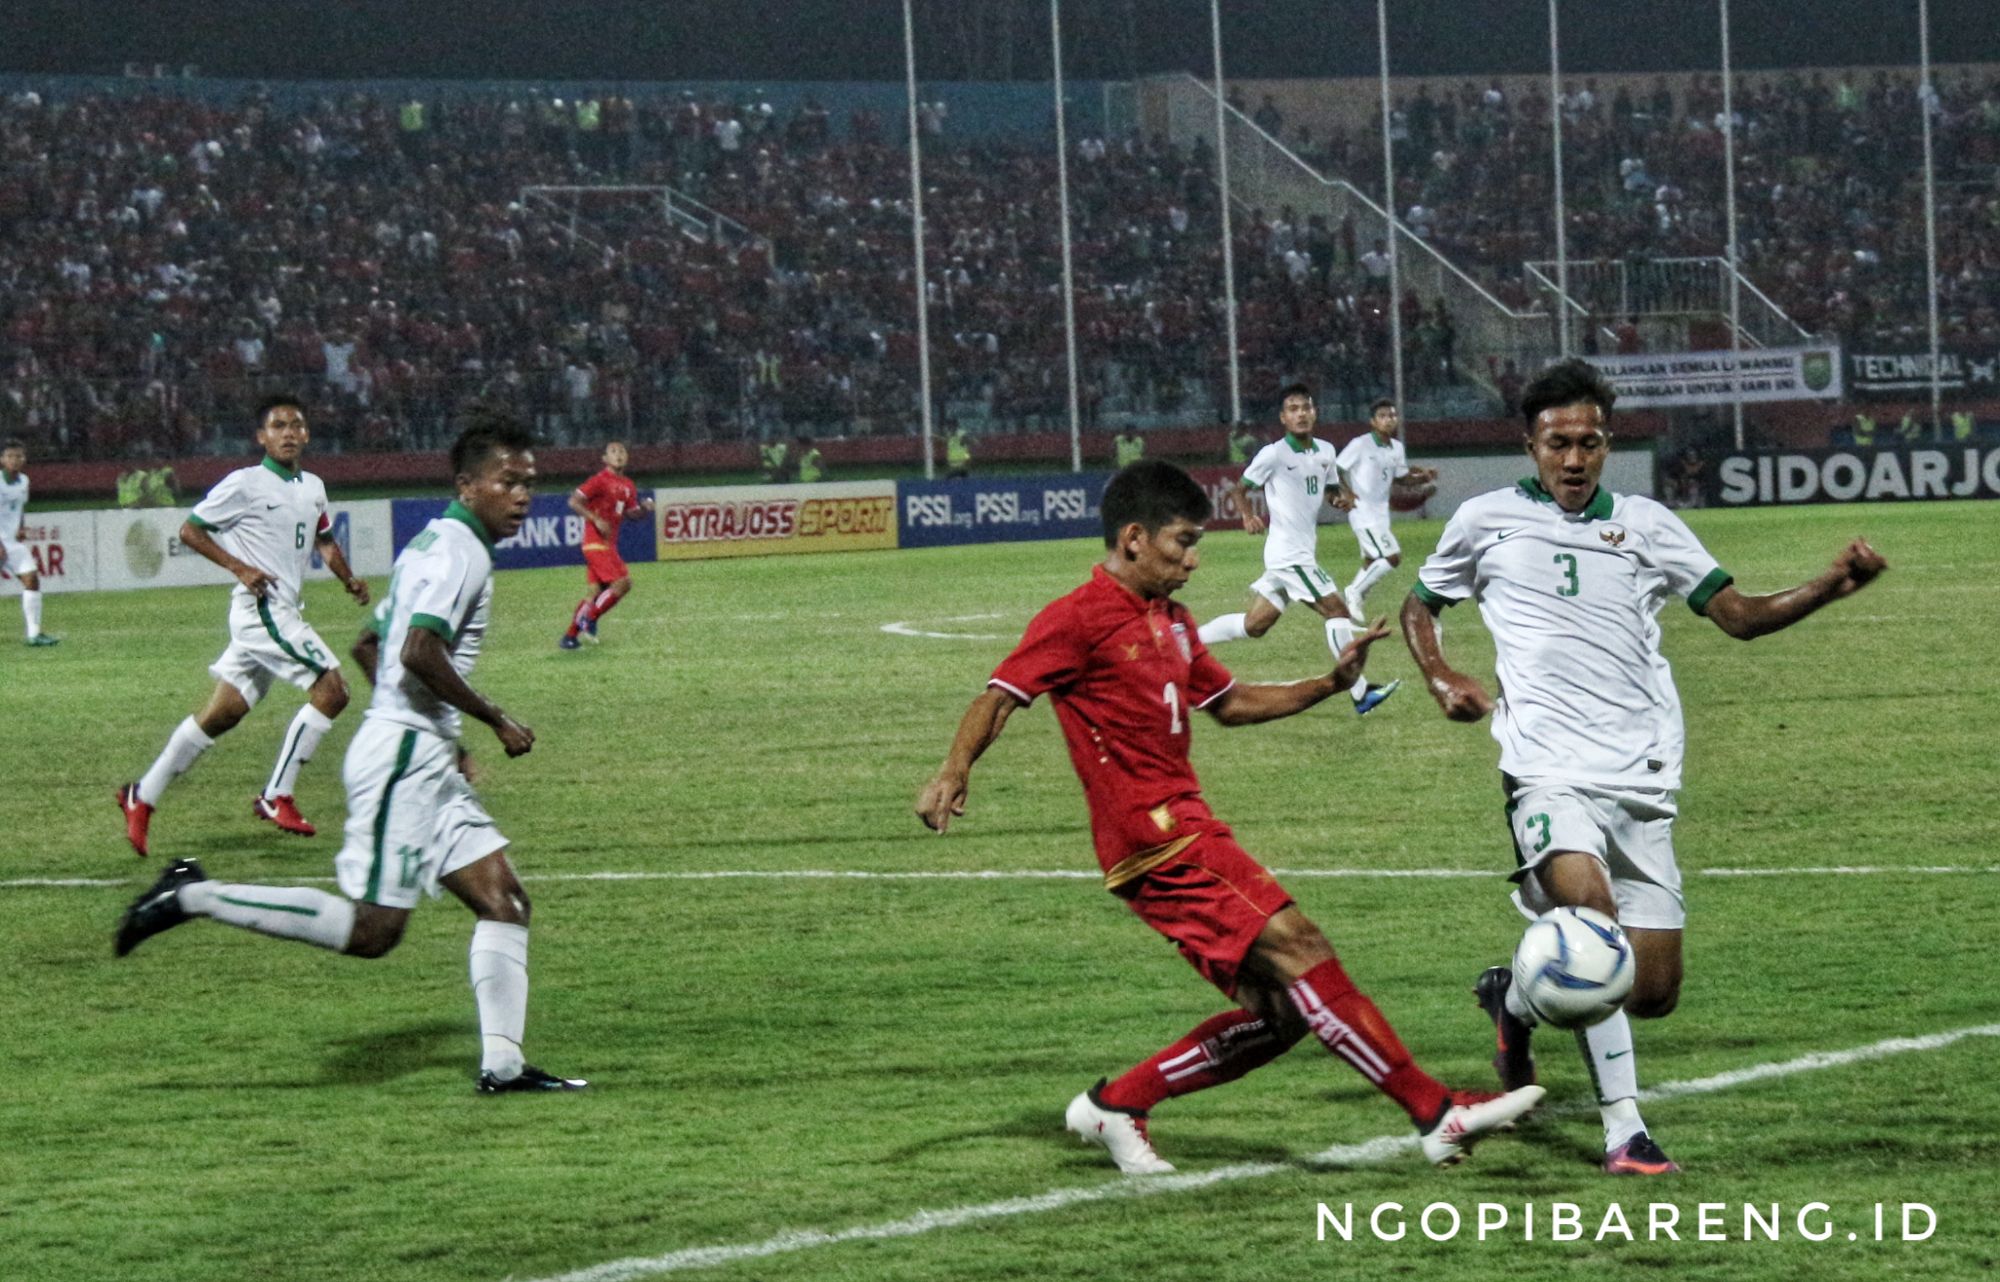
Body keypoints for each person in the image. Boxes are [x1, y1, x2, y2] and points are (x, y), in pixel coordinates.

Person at [917, 461, 1542, 1173]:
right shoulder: (1076, 618)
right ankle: (1435, 1111)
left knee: (1283, 1014)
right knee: (1301, 945)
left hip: (1185, 828)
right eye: (1182, 542)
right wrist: (953, 769)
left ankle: (1116, 1104)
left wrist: (1331, 685)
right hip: (1157, 839)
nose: (1193, 558)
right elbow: (1000, 694)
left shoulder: (1176, 623)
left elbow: (1233, 704)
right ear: (1132, 539)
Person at [1399, 359, 1887, 1175]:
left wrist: (1831, 585)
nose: (1574, 460)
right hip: (1545, 770)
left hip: (1643, 777)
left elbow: (1739, 617)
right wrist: (1442, 674)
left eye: (1588, 443)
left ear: (1607, 443)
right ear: (1531, 445)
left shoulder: (1648, 524)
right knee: (1594, 931)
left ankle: (1512, 1004)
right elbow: (1422, 603)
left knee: (1650, 991)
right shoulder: (1484, 521)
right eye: (1558, 444)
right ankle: (1626, 1132)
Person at [115, 409, 586, 1095]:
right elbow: (417, 649)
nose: (522, 496)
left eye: (529, 483)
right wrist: (494, 719)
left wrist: (432, 733)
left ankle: (504, 1067)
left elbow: (370, 645)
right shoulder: (462, 551)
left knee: (504, 901)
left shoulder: (436, 540)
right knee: (373, 931)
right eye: (507, 482)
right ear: (467, 484)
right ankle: (193, 896)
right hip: (404, 757)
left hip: (419, 751)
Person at [117, 396, 370, 855]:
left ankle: (142, 795)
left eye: (296, 424)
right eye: (278, 425)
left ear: (307, 434)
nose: (289, 432)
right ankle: (277, 795)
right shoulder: (245, 483)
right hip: (262, 609)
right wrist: (240, 568)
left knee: (223, 714)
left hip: (281, 610)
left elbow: (325, 541)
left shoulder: (313, 485)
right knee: (333, 691)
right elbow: (190, 530)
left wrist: (348, 578)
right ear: (261, 437)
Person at [1195, 383, 1398, 715]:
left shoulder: (1326, 451)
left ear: (1314, 412)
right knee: (1337, 611)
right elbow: (1239, 489)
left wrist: (1340, 499)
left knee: (1255, 625)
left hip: (1301, 551)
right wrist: (1247, 516)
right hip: (1289, 554)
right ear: (1283, 418)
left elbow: (1330, 488)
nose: (1301, 414)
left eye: (1306, 407)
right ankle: (1361, 694)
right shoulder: (1273, 454)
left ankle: (1189, 641)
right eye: (1293, 409)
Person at [1334, 398, 1438, 622]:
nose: (1389, 419)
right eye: (1383, 416)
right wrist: (1347, 493)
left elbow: (1401, 478)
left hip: (1381, 512)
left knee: (1373, 561)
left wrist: (1423, 478)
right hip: (1363, 511)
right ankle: (1354, 591)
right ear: (1373, 421)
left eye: (1392, 415)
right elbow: (1336, 469)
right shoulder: (1360, 444)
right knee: (1392, 557)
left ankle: (1354, 602)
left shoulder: (1396, 448)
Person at [561, 440, 653, 650]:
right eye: (613, 451)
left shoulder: (628, 485)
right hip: (595, 543)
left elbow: (631, 513)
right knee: (622, 583)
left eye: (622, 451)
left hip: (608, 544)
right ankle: (589, 619)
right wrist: (596, 519)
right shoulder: (599, 480)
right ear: (605, 459)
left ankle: (569, 638)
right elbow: (574, 501)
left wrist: (645, 509)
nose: (618, 454)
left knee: (594, 592)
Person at [0, 440, 58, 645]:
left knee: (32, 580)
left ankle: (34, 634)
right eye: (10, 456)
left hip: (12, 543)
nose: (15, 460)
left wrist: (21, 527)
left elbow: (19, 507)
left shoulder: (24, 481)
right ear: (2, 459)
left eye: (19, 456)